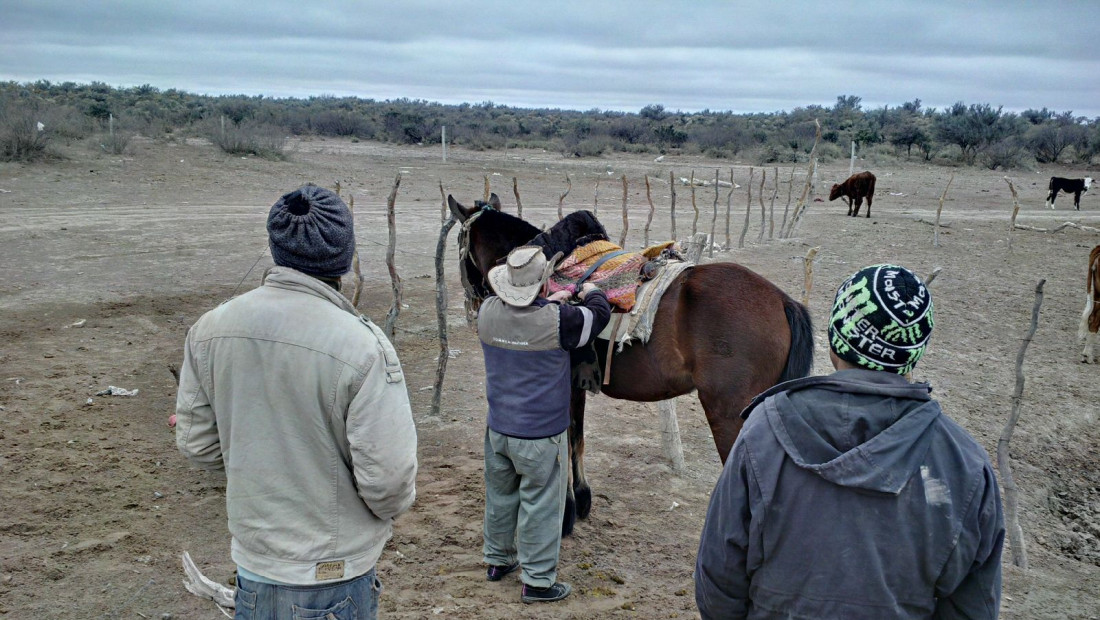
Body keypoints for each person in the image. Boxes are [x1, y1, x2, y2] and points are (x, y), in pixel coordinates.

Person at [695, 264, 1005, 619]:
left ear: (835, 339)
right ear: (915, 351)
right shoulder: (965, 463)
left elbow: (718, 577)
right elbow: (973, 605)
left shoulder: (764, 429)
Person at [175, 184, 418, 619]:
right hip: (336, 576)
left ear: (275, 247)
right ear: (345, 258)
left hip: (257, 568)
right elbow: (389, 484)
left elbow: (197, 445)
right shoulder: (363, 346)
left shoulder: (209, 328)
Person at [476, 245, 612, 604]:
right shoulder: (561, 322)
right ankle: (537, 583)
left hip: (498, 430)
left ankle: (497, 561)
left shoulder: (486, 313)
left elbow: (524, 318)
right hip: (540, 436)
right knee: (540, 505)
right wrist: (589, 292)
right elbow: (598, 315)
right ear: (543, 286)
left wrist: (553, 300)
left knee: (500, 497)